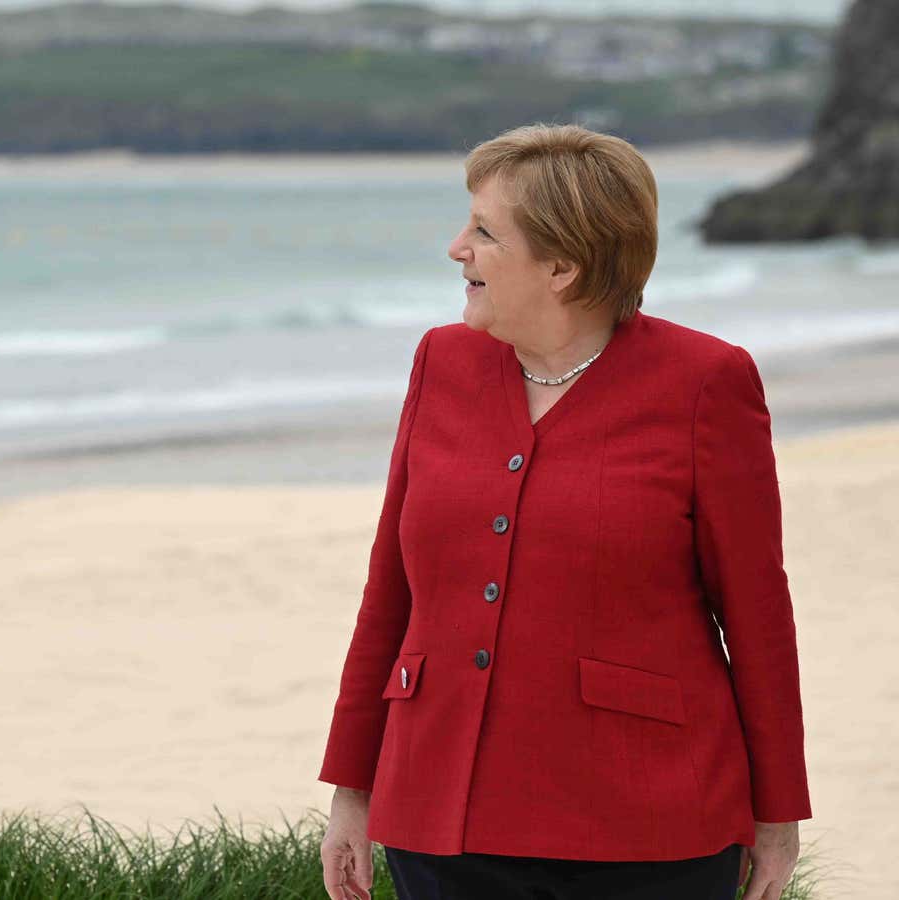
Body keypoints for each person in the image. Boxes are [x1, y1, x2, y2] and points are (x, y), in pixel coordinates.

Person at [317, 124, 810, 900]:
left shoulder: (706, 382)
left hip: (644, 821)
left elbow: (755, 610)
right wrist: (352, 787)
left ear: (563, 265)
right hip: (442, 812)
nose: (457, 249)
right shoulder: (439, 362)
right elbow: (392, 590)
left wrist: (777, 817)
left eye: (483, 231)